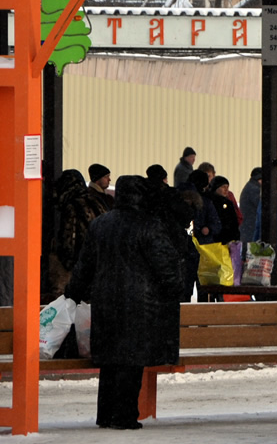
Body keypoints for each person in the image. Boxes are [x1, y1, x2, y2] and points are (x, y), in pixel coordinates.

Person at [65, 175, 187, 430]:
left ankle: (106, 414)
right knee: (131, 360)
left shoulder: (100, 225)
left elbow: (84, 265)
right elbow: (166, 267)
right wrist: (175, 288)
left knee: (110, 361)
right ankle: (124, 416)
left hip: (105, 301)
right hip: (140, 304)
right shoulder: (149, 225)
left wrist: (73, 293)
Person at [43, 169, 105, 302]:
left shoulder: (72, 205)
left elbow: (69, 239)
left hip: (80, 263)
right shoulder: (96, 201)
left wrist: (66, 262)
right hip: (98, 262)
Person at [186, 170, 221, 244]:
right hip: (203, 244)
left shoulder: (179, 198)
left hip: (184, 243)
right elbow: (216, 223)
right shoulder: (207, 201)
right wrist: (209, 229)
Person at [207, 176, 241, 244]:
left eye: (227, 187)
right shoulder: (209, 202)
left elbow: (234, 222)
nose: (226, 190)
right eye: (223, 187)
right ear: (215, 188)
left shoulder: (229, 203)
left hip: (228, 240)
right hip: (213, 241)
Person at [238, 167, 262, 247]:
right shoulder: (255, 190)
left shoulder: (250, 187)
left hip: (247, 228)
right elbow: (261, 205)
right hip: (251, 229)